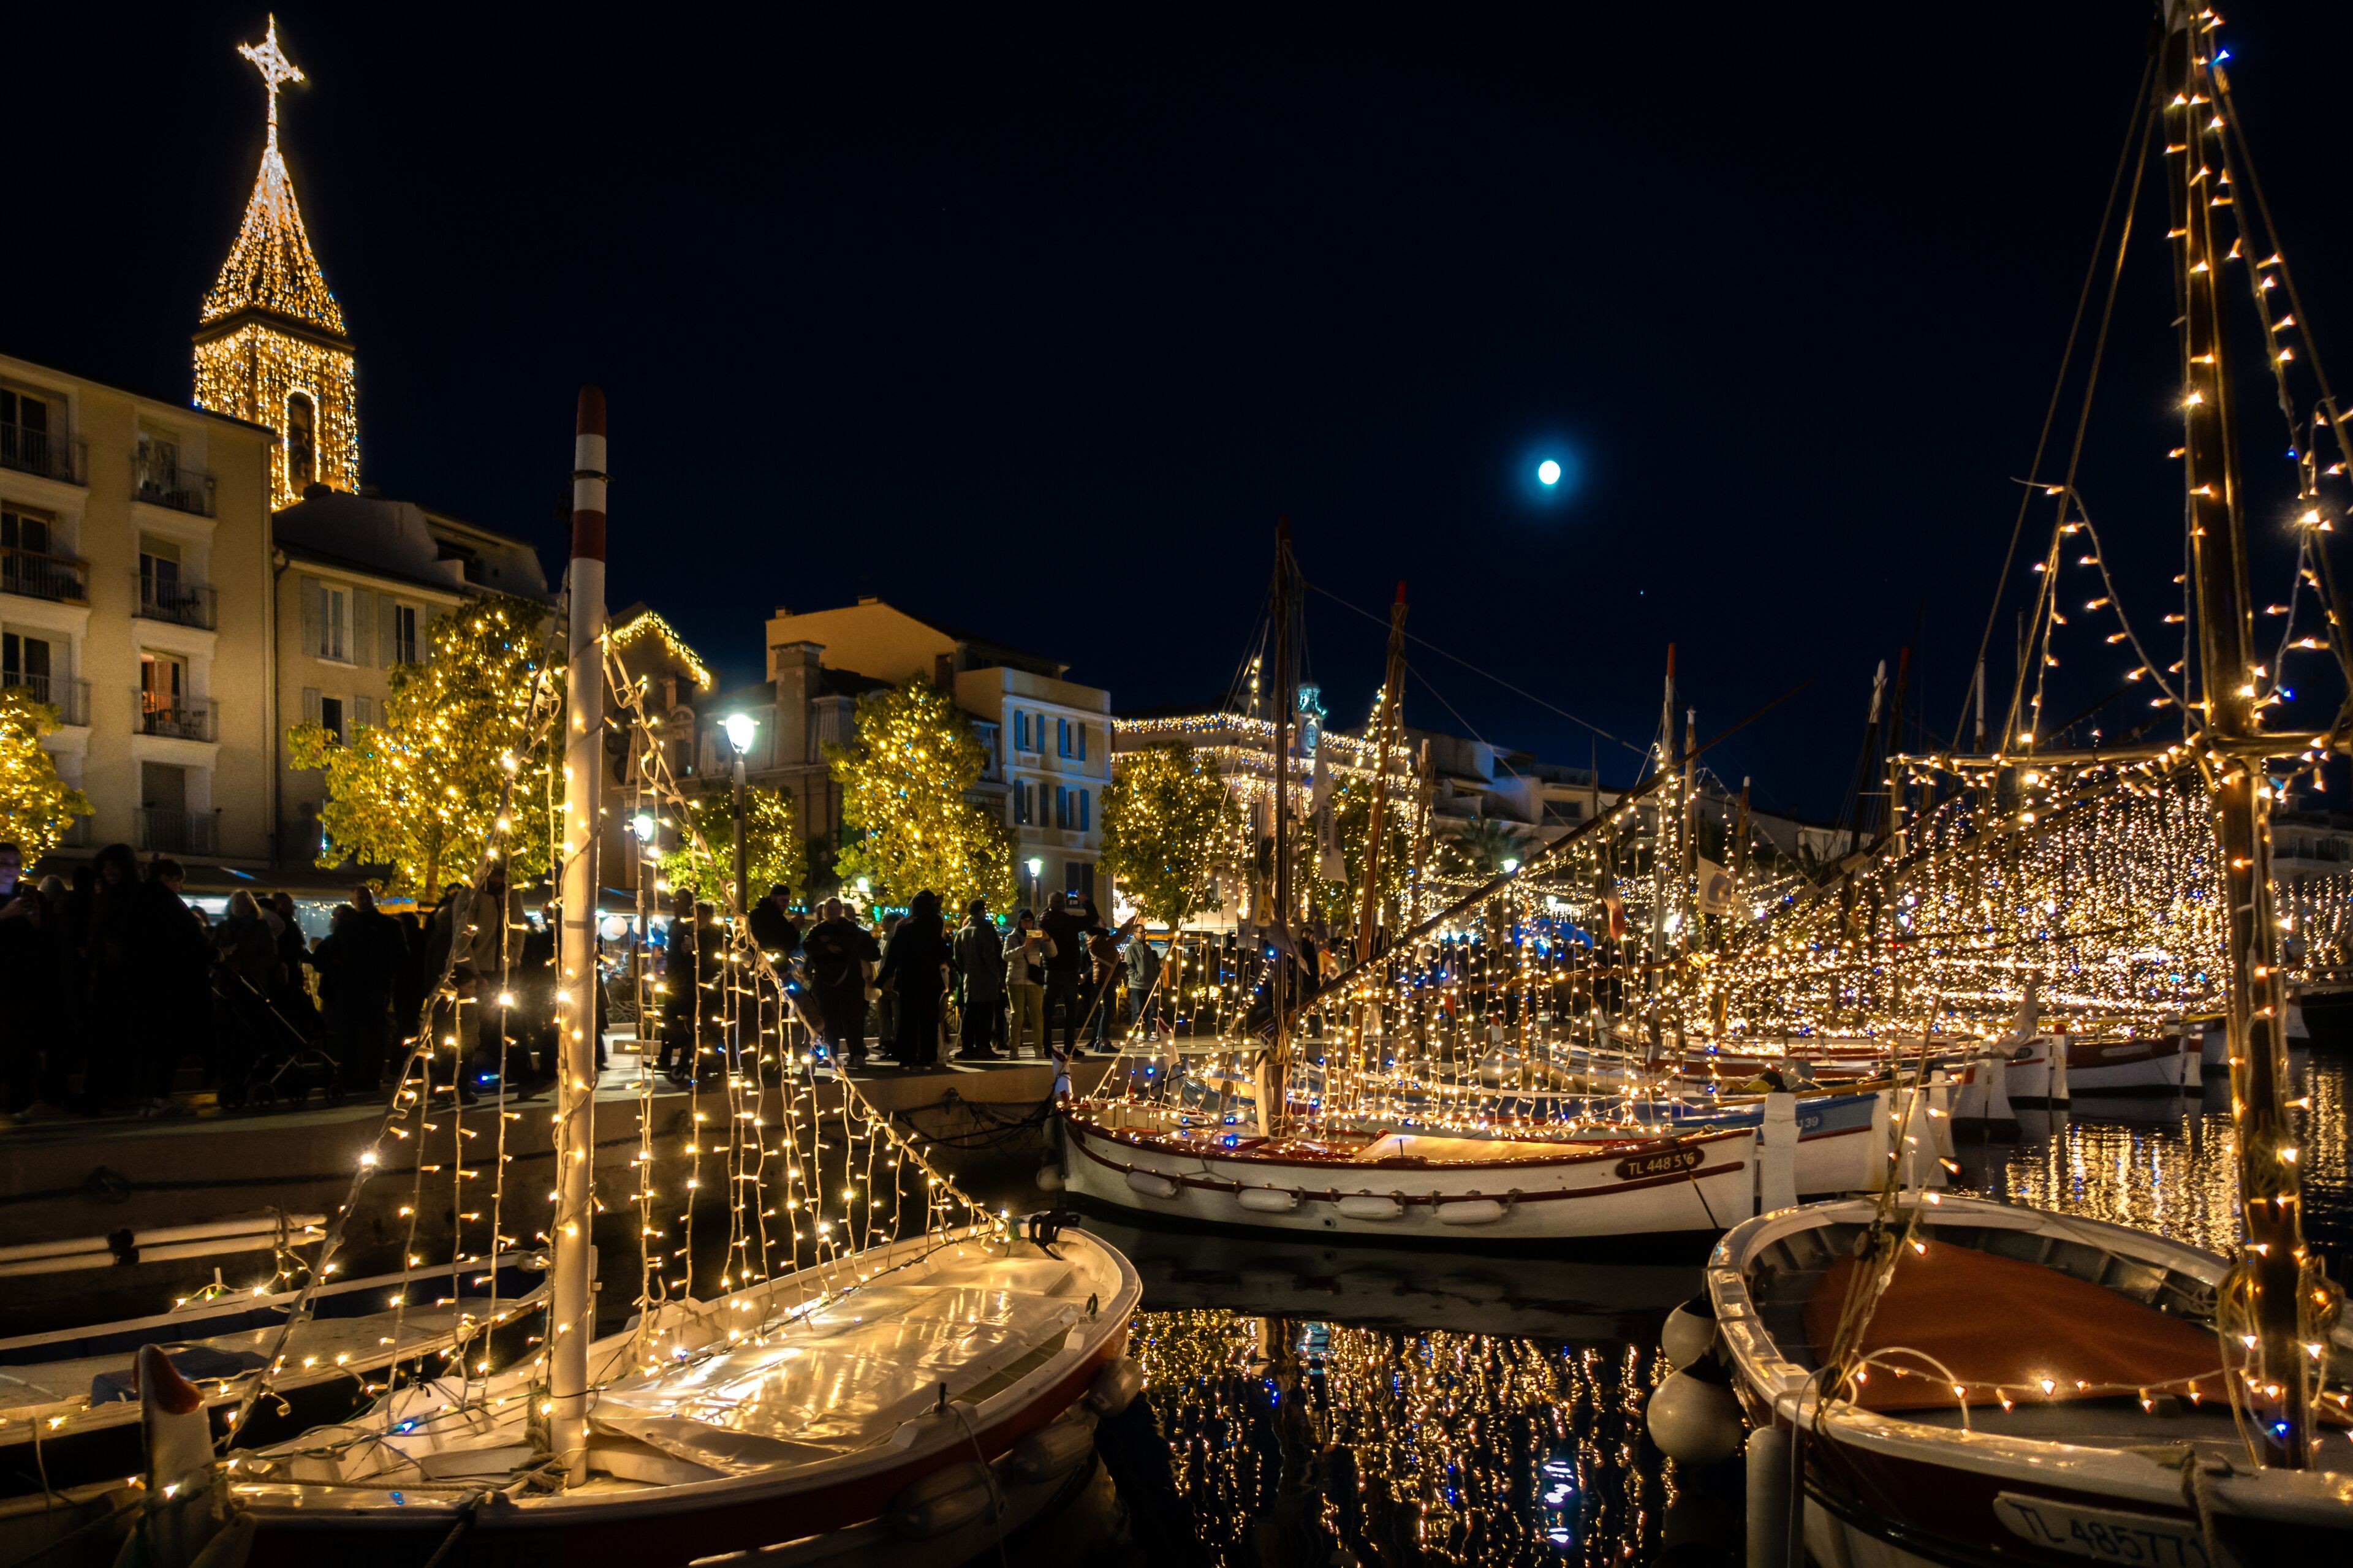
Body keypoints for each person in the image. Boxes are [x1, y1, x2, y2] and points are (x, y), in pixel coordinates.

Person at [802, 897, 879, 1070]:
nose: (833, 912)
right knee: (829, 1021)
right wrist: (826, 948)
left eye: (836, 909)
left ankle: (857, 1054)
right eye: (830, 909)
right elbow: (808, 945)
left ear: (841, 910)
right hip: (825, 982)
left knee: (852, 1019)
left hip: (850, 981)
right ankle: (832, 1055)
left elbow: (853, 942)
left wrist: (828, 941)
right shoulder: (817, 929)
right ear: (825, 911)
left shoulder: (850, 927)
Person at [877, 890, 950, 1070]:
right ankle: (926, 1058)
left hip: (910, 979)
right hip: (931, 980)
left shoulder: (904, 927)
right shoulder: (934, 925)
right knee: (929, 1020)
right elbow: (944, 952)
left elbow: (893, 957)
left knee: (908, 1019)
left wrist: (880, 980)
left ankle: (906, 1057)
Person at [950, 898, 1004, 1062]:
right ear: (982, 910)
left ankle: (967, 1047)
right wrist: (996, 974)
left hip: (970, 979)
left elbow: (957, 958)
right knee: (986, 1014)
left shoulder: (962, 932)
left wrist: (967, 970)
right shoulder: (986, 929)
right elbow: (990, 955)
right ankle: (983, 1046)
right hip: (986, 980)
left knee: (970, 1013)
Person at [1039, 892, 1088, 1058]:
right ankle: (1069, 1046)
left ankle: (1047, 1047)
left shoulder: (1044, 920)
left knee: (1047, 1010)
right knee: (1071, 1009)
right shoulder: (1071, 921)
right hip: (1069, 970)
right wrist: (1085, 902)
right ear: (1065, 904)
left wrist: (1049, 907)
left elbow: (1040, 917)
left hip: (1051, 970)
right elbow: (1092, 918)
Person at [1001, 909, 1053, 1058]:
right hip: (1015, 980)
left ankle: (1038, 1048)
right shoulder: (1011, 938)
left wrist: (1047, 938)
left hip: (1033, 981)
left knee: (1037, 1015)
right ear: (1019, 922)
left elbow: (1052, 953)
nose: (1028, 924)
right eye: (1024, 921)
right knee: (1017, 1016)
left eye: (1030, 921)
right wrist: (1024, 947)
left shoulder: (1037, 937)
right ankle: (1014, 1049)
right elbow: (1006, 956)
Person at [1124, 930, 1165, 1041]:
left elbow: (1151, 964)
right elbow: (1128, 966)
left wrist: (1154, 976)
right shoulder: (1131, 949)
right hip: (1137, 985)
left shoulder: (1147, 948)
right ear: (1135, 933)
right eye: (1141, 932)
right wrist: (1138, 976)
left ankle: (1151, 1031)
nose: (1143, 934)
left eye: (1144, 932)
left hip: (1149, 984)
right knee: (1138, 1010)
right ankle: (1137, 1032)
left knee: (1152, 1008)